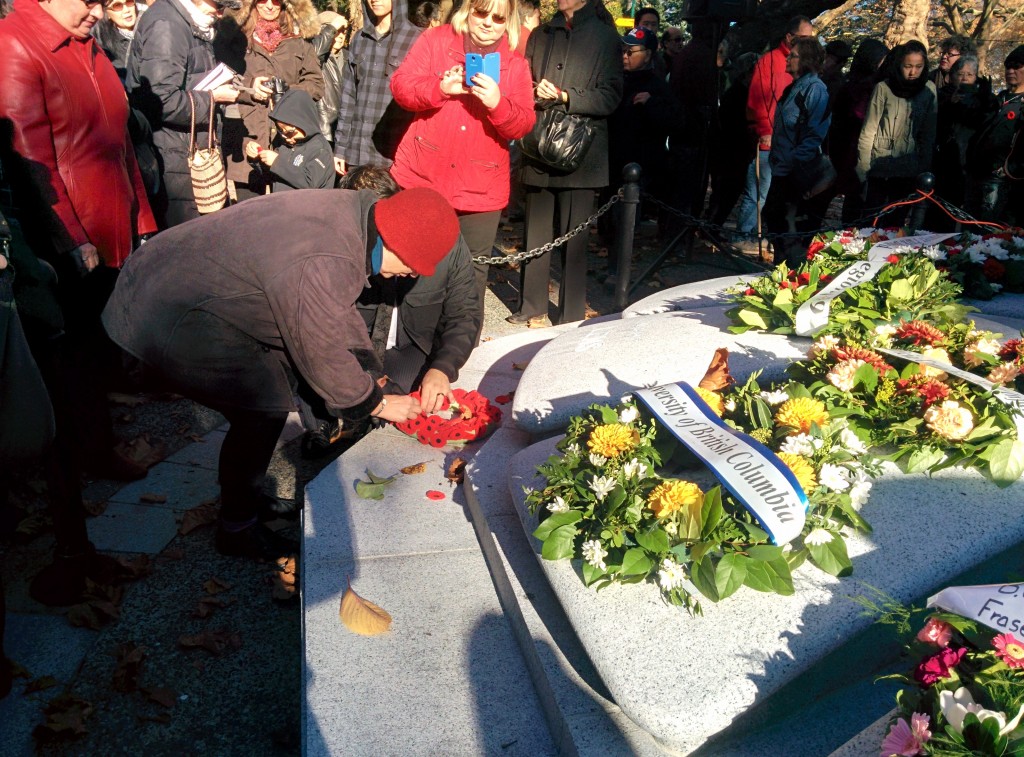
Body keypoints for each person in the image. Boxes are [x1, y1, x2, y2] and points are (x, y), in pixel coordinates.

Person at [102, 187, 459, 558]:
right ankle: (237, 529)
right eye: (416, 262)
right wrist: (377, 404)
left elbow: (333, 308)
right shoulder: (328, 255)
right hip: (165, 308)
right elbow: (319, 345)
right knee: (261, 406)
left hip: (169, 279)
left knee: (268, 397)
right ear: (396, 239)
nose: (415, 272)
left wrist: (369, 369)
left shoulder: (356, 216)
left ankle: (247, 496)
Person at [0, 0, 157, 604]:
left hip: (110, 225)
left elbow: (115, 144)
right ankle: (70, 479)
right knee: (69, 369)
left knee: (99, 354)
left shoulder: (87, 44)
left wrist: (141, 215)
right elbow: (33, 165)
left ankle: (98, 446)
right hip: (69, 248)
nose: (100, 9)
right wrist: (72, 244)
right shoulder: (19, 45)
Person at [301, 166, 481, 454]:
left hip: (412, 346)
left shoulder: (441, 240)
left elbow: (465, 312)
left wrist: (443, 367)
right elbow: (320, 331)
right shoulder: (341, 245)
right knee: (328, 393)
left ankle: (363, 416)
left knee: (410, 401)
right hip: (353, 350)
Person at [389, 0, 534, 334]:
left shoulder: (514, 63)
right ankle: (406, 344)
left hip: (480, 189)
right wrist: (440, 88)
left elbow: (523, 124)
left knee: (469, 278)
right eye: (481, 12)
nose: (488, 23)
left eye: (499, 18)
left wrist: (499, 104)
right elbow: (401, 86)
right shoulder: (436, 40)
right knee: (413, 264)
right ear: (468, 10)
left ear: (508, 22)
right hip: (422, 176)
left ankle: (460, 350)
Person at [507, 0, 622, 328]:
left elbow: (611, 95)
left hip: (580, 151)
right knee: (535, 233)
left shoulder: (605, 37)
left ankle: (571, 313)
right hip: (539, 143)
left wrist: (567, 96)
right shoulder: (540, 34)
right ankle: (531, 305)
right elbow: (521, 84)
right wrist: (535, 92)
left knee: (575, 239)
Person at [126, 0, 242, 228]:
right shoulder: (167, 25)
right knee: (184, 248)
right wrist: (213, 98)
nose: (220, 15)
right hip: (173, 160)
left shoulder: (189, 23)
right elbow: (161, 100)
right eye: (218, 7)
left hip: (185, 154)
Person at [732, 15, 815, 251]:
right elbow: (758, 102)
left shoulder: (804, 66)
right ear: (790, 37)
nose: (808, 43)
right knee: (759, 191)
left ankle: (774, 235)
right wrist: (764, 131)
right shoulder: (769, 62)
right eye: (804, 38)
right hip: (770, 141)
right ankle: (743, 236)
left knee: (779, 195)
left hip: (792, 143)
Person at [226, 0, 323, 200]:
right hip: (247, 135)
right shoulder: (234, 37)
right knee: (248, 215)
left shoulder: (299, 39)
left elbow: (316, 84)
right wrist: (250, 88)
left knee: (286, 211)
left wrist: (289, 93)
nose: (270, 5)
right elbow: (223, 78)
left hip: (289, 139)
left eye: (277, 0)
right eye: (263, 0)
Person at [602, 26, 680, 277]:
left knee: (624, 220)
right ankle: (611, 265)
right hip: (611, 162)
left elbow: (674, 122)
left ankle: (619, 274)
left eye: (631, 52)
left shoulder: (657, 85)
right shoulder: (614, 79)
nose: (625, 56)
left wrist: (651, 104)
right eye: (623, 51)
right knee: (607, 222)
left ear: (648, 54)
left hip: (639, 166)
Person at [762, 37, 832, 267]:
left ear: (807, 60)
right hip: (782, 169)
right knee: (775, 223)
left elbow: (814, 135)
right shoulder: (793, 87)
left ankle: (791, 278)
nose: (788, 58)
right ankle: (779, 272)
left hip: (797, 173)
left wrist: (794, 163)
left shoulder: (815, 89)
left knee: (792, 233)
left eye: (793, 55)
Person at [333, 0, 421, 173]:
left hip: (393, 155)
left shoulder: (415, 39)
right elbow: (349, 97)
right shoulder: (359, 39)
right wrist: (341, 149)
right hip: (357, 153)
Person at [856, 40, 937, 228]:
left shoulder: (929, 90)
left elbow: (928, 132)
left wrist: (924, 166)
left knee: (896, 222)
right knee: (871, 221)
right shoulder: (884, 88)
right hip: (880, 164)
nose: (912, 72)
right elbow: (869, 129)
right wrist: (863, 168)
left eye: (918, 67)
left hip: (909, 166)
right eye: (908, 66)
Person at [929, 54, 995, 227]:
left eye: (970, 74)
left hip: (972, 162)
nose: (965, 78)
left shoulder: (986, 98)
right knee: (942, 210)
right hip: (945, 161)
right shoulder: (942, 95)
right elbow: (934, 124)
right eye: (961, 73)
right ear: (953, 76)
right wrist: (950, 105)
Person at [829, 37, 889, 224]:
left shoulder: (853, 85)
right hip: (852, 150)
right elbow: (858, 117)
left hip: (848, 150)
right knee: (855, 204)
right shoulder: (861, 88)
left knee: (855, 204)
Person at [965, 45, 1024, 227]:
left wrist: (1009, 169)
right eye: (1008, 66)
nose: (1010, 71)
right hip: (977, 174)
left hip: (1002, 179)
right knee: (969, 230)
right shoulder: (998, 99)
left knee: (990, 233)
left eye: (1017, 66)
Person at [243, 89, 335, 190]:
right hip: (282, 203)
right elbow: (271, 176)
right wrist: (257, 159)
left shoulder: (320, 150)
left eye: (290, 132)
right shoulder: (284, 146)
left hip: (308, 204)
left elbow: (310, 182)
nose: (285, 137)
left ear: (304, 123)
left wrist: (277, 163)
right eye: (281, 131)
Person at [316, 10, 349, 145]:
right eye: (336, 31)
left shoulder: (350, 57)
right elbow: (315, 53)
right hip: (323, 128)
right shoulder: (315, 56)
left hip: (345, 130)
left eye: (343, 32)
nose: (340, 36)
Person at [91, 0, 146, 79]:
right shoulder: (103, 44)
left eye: (129, 2)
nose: (126, 10)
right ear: (107, 13)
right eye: (117, 6)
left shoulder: (151, 26)